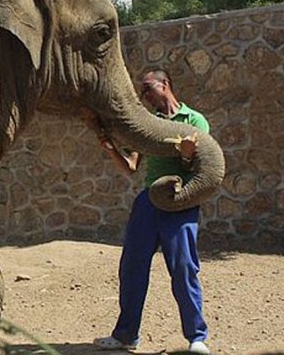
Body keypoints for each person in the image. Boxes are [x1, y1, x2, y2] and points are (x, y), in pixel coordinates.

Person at [91, 69, 212, 355]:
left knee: (183, 267)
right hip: (148, 202)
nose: (144, 96)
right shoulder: (149, 124)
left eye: (147, 89)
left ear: (165, 84)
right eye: (142, 93)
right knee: (132, 267)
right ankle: (126, 336)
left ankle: (197, 337)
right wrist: (111, 150)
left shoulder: (194, 121)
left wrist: (185, 155)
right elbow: (131, 167)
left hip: (180, 201)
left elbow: (202, 168)